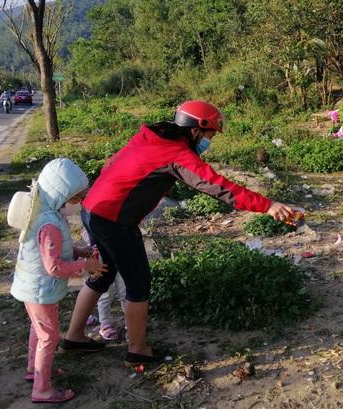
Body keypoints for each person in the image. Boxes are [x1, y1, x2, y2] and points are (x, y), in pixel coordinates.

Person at [61, 100, 294, 366]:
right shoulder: (176, 154)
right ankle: (137, 350)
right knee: (138, 282)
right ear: (195, 130)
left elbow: (110, 165)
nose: (209, 141)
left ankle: (74, 336)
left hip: (92, 211)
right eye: (209, 135)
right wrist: (268, 205)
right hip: (114, 220)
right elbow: (218, 186)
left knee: (104, 273)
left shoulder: (149, 138)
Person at [9, 158, 107, 404]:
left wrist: (79, 251)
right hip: (40, 289)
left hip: (33, 286)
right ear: (60, 194)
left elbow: (53, 251)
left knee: (38, 330)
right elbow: (53, 266)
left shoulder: (46, 212)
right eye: (75, 198)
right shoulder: (50, 224)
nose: (79, 203)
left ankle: (35, 370)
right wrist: (87, 266)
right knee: (49, 337)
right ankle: (42, 389)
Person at [81, 227, 127, 341]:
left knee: (125, 291)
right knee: (104, 293)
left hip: (121, 256)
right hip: (101, 260)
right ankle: (105, 323)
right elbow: (85, 232)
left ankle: (130, 321)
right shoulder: (91, 215)